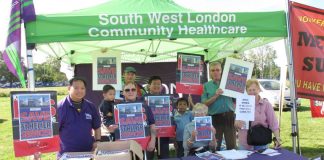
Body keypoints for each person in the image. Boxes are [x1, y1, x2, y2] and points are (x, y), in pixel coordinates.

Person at [57, 77, 101, 156]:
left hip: (88, 152)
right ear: (69, 88)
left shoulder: (91, 106)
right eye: (76, 88)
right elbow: (54, 131)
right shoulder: (60, 107)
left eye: (82, 88)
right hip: (67, 154)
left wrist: (97, 141)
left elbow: (97, 126)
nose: (79, 91)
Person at [234, 79, 281, 150]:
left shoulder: (266, 105)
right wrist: (236, 123)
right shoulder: (241, 103)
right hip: (244, 142)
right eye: (250, 90)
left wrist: (277, 138)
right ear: (246, 91)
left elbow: (273, 123)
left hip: (261, 142)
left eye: (254, 89)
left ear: (259, 90)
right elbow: (236, 123)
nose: (252, 92)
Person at [201, 61, 236, 151]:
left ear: (221, 71)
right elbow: (204, 104)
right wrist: (216, 95)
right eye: (213, 70)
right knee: (215, 146)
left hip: (229, 116)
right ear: (210, 72)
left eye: (217, 70)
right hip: (215, 118)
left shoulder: (229, 83)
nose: (215, 72)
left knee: (232, 146)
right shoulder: (206, 86)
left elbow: (238, 97)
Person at [119, 82, 156, 159]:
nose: (130, 92)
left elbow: (152, 125)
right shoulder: (117, 108)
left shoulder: (145, 106)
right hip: (125, 147)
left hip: (142, 145)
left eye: (133, 89)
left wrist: (153, 141)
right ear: (123, 93)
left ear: (136, 92)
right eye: (127, 90)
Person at [144, 76, 172, 159]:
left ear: (162, 86)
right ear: (149, 86)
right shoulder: (143, 99)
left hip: (163, 133)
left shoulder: (167, 99)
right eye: (154, 84)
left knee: (164, 156)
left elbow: (171, 115)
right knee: (148, 157)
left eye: (158, 84)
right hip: (149, 134)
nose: (156, 86)